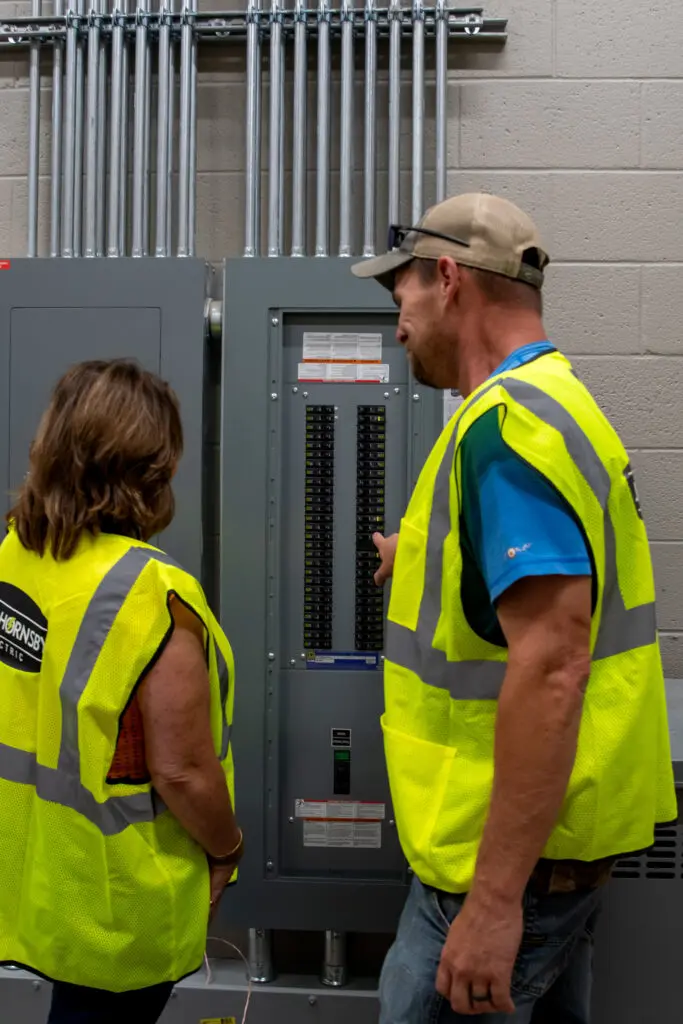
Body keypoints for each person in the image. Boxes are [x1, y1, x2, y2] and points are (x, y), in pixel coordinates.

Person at [351, 193, 676, 1023]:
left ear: (450, 279)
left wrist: (492, 904)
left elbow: (553, 663)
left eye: (403, 300)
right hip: (552, 845)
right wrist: (418, 557)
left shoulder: (508, 429)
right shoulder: (557, 403)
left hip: (499, 867)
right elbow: (536, 602)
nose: (399, 327)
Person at [0, 360, 243, 1024]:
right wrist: (227, 848)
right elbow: (183, 770)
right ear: (153, 469)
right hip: (113, 893)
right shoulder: (149, 594)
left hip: (31, 874)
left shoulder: (16, 555)